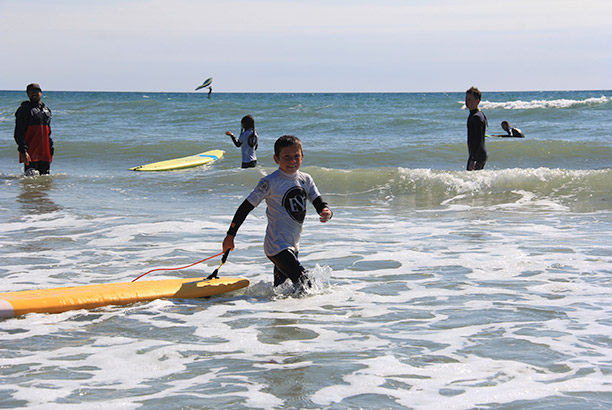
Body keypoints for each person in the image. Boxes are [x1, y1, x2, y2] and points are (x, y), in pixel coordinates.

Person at [222, 135, 333, 291]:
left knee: (282, 291)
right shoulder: (270, 182)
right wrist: (230, 235)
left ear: (302, 157)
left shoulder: (306, 179)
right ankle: (317, 311)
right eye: (286, 157)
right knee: (306, 284)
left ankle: (277, 313)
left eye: (296, 156)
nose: (292, 160)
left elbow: (318, 201)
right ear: (276, 159)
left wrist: (325, 211)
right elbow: (245, 207)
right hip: (276, 246)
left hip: (293, 245)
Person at [14, 83, 53, 175]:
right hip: (30, 152)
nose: (33, 93)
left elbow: (48, 133)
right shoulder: (24, 109)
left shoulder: (46, 110)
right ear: (27, 94)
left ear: (41, 93)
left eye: (36, 91)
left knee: (44, 180)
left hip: (44, 153)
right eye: (31, 91)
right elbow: (19, 132)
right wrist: (23, 151)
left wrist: (51, 150)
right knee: (30, 179)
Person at [465, 86, 487, 171]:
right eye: (466, 99)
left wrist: (473, 159)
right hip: (477, 154)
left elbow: (478, 140)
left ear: (477, 101)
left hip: (478, 155)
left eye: (470, 99)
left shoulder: (477, 117)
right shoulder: (474, 115)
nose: (467, 102)